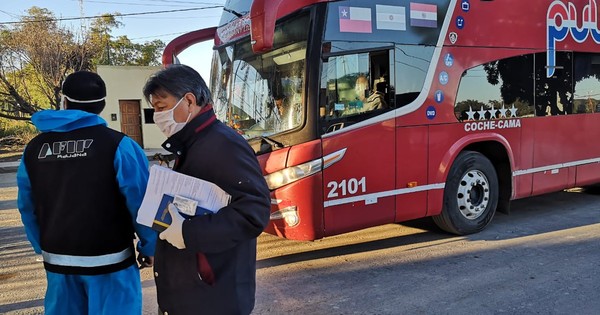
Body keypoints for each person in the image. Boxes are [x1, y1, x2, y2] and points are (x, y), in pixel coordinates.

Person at [16, 71, 156, 314]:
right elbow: (141, 202)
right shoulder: (120, 145)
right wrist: (150, 247)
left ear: (64, 101)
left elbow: (27, 205)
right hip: (111, 263)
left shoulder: (34, 149)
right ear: (102, 105)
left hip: (59, 263)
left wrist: (43, 245)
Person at [143, 64, 271, 315]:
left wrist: (189, 232)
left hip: (212, 297)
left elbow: (253, 211)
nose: (157, 116)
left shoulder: (223, 144)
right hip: (192, 293)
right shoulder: (193, 143)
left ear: (188, 101)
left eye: (161, 108)